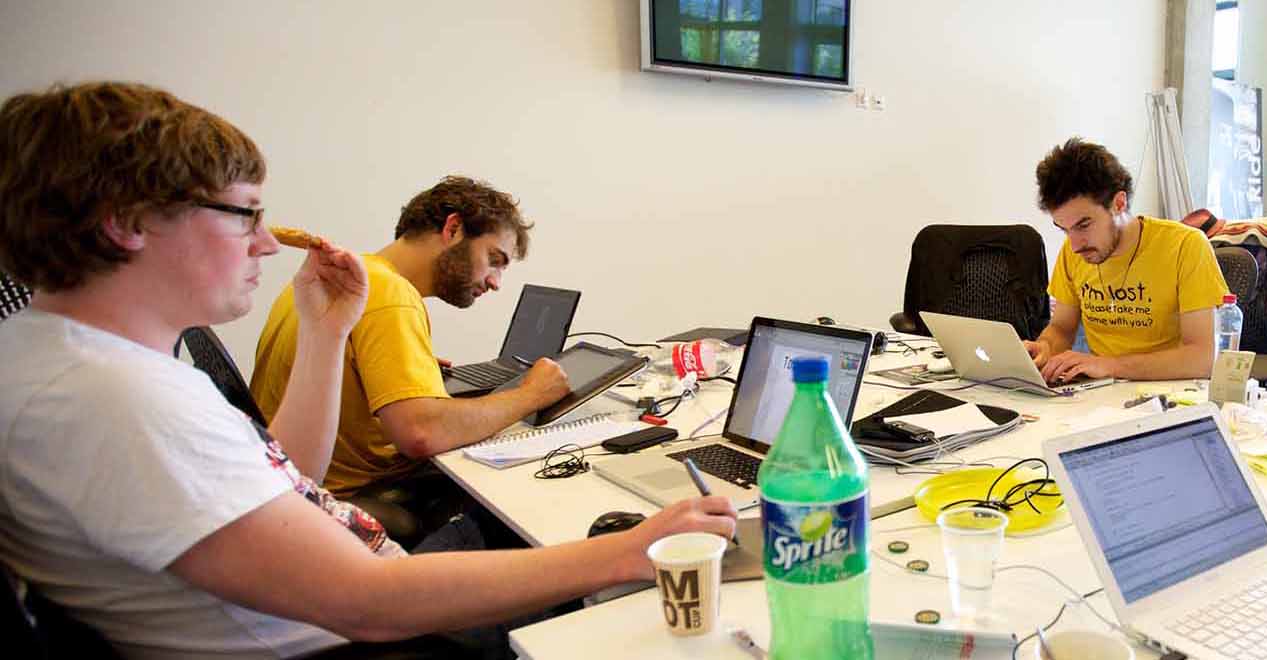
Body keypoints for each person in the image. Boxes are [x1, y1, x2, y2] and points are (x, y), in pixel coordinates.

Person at [0, 81, 737, 658]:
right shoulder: (115, 400)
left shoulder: (84, 361)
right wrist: (630, 549)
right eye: (244, 213)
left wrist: (327, 334)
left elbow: (291, 474)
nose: (265, 243)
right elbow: (369, 601)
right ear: (128, 220)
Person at [250, 176, 568, 530]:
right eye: (494, 259)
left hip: (283, 483)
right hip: (342, 497)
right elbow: (421, 433)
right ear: (453, 228)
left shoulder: (337, 278)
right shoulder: (390, 295)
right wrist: (530, 395)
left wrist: (394, 369)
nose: (495, 282)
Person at [1023, 137, 1230, 383]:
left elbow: (1202, 359)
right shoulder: (1075, 251)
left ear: (1119, 203)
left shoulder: (1185, 246)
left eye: (1083, 225)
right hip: (1101, 391)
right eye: (1065, 229)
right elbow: (1062, 328)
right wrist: (1045, 347)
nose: (1075, 245)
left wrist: (1109, 366)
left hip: (1169, 392)